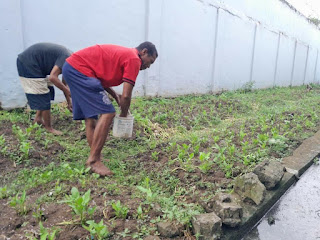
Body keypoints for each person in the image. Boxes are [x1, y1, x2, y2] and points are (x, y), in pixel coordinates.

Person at [62, 42, 158, 176]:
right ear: (144, 51)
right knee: (108, 112)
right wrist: (124, 114)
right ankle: (94, 161)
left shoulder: (126, 55)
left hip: (72, 68)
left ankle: (95, 156)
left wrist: (114, 95)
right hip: (80, 71)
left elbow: (102, 80)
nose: (148, 66)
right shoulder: (134, 59)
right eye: (150, 61)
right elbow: (126, 96)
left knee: (91, 117)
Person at [17, 42, 72, 135]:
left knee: (48, 89)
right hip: (28, 62)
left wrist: (69, 102)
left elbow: (64, 83)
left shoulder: (70, 61)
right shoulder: (66, 58)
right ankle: (49, 128)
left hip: (37, 64)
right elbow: (53, 77)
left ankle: (38, 119)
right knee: (43, 95)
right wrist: (67, 91)